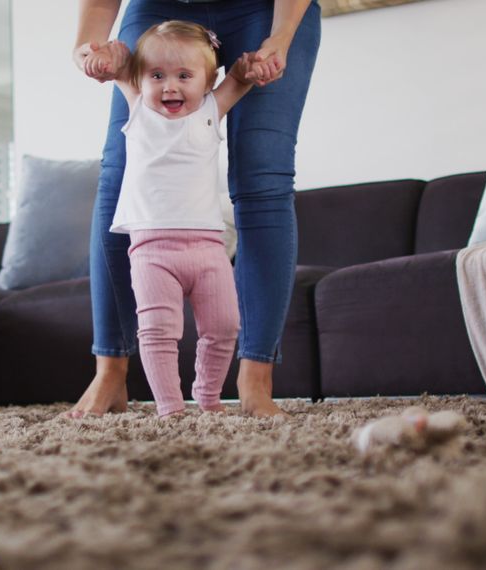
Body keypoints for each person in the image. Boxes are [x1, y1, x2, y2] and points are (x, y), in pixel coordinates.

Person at [68, 0, 320, 418]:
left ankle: (255, 381)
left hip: (263, 9)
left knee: (263, 175)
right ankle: (110, 372)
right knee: (119, 172)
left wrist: (279, 37)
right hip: (156, 8)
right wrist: (89, 51)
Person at [91, 21, 260, 417]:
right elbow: (113, 70)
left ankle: (209, 395)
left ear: (207, 80)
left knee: (224, 326)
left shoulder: (210, 109)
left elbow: (238, 79)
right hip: (151, 250)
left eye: (184, 76)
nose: (169, 87)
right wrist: (103, 59)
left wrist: (249, 69)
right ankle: (169, 406)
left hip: (207, 248)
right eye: (157, 76)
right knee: (158, 331)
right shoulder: (137, 108)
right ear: (140, 78)